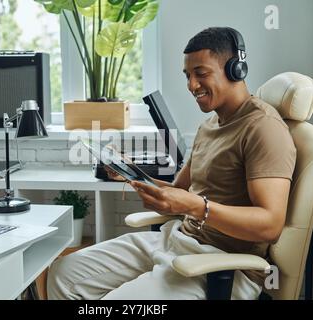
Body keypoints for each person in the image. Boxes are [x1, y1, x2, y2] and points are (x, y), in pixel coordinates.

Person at [47, 27, 296, 300]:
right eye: (188, 76)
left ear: (236, 69)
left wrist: (195, 206)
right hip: (175, 240)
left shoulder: (263, 128)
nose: (192, 85)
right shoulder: (209, 125)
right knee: (64, 274)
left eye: (201, 73)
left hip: (222, 264)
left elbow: (270, 224)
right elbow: (178, 190)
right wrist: (131, 174)